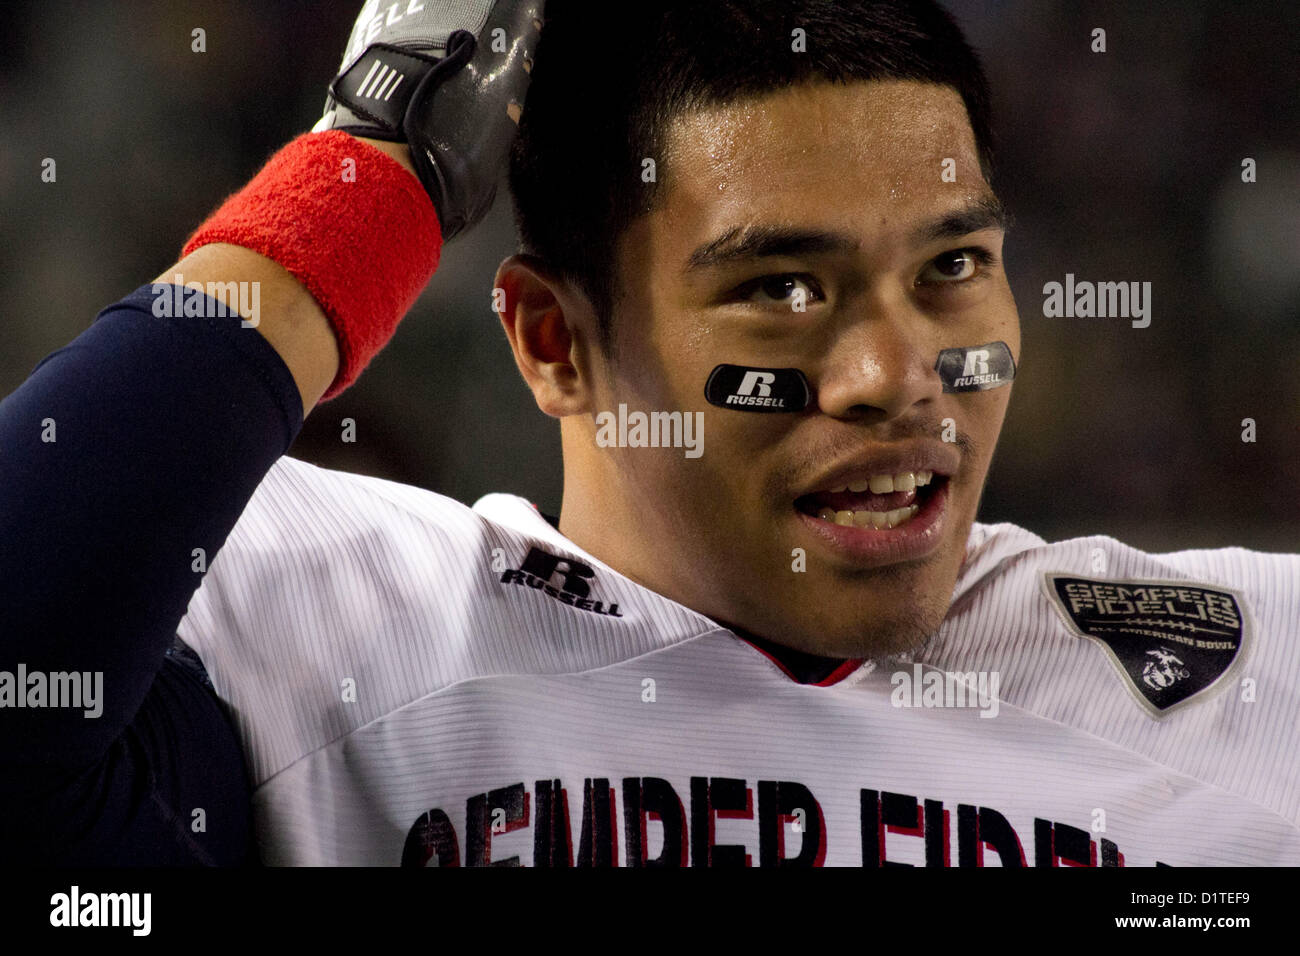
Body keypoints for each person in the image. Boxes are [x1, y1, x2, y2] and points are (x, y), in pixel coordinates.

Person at [2, 0, 1296, 867]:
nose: (901, 376)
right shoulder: (350, 644)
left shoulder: (1241, 667)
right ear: (555, 343)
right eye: (784, 290)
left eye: (953, 267)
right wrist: (371, 171)